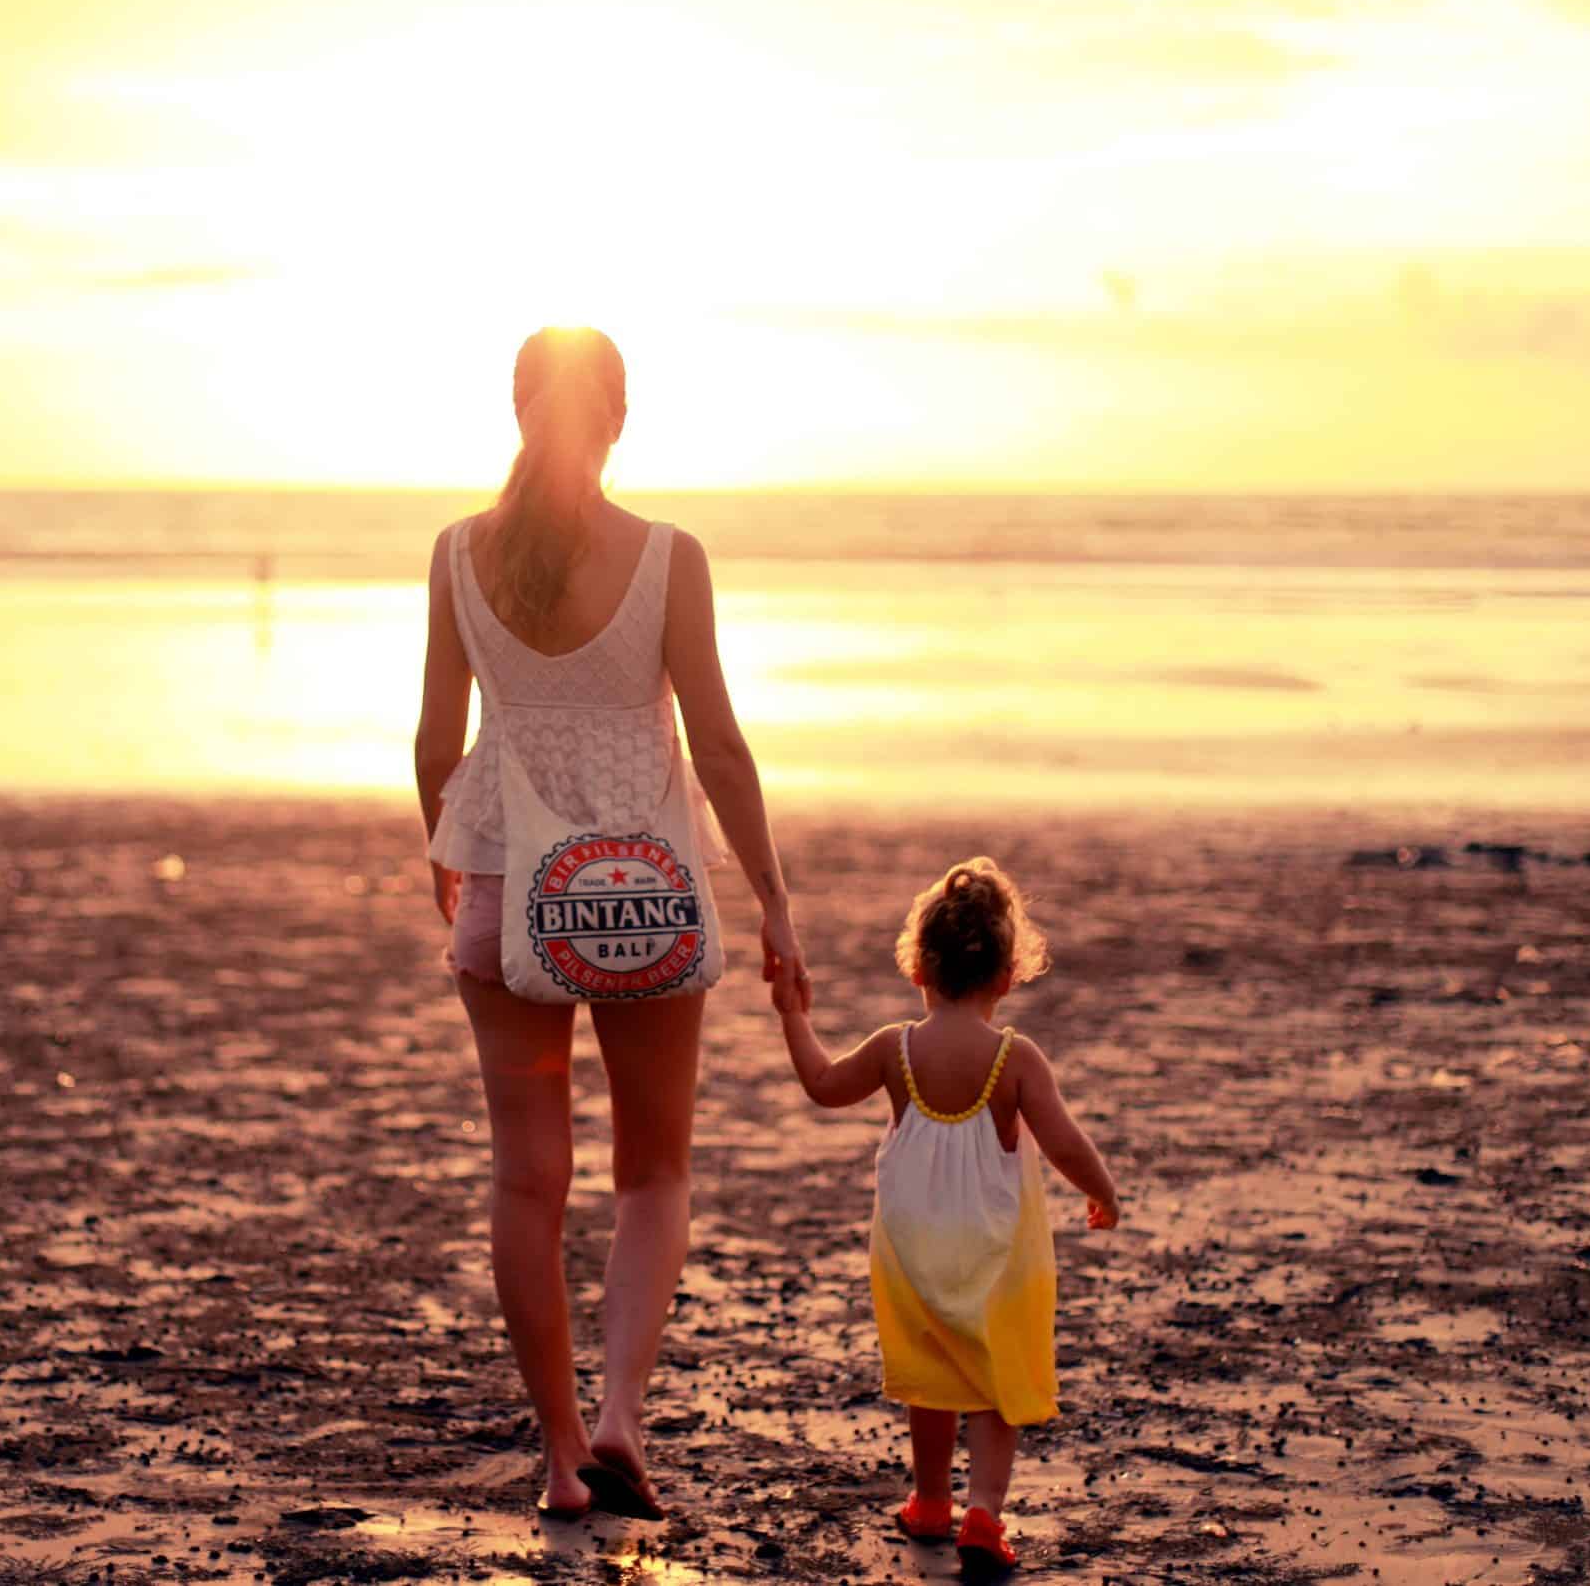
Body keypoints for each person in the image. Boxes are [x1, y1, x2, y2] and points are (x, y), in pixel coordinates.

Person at [414, 325, 812, 1521]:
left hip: (502, 884)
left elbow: (436, 739)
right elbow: (722, 744)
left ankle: (557, 1455)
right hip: (645, 898)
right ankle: (622, 1419)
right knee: (654, 1171)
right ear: (620, 419)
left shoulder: (454, 554)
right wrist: (773, 896)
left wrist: (448, 859)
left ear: (517, 408)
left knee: (527, 1180)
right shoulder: (669, 557)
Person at [771, 855, 1119, 1570]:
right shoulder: (1016, 1058)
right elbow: (1065, 1142)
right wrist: (1103, 1189)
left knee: (929, 1369)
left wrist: (792, 1015)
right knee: (997, 1379)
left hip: (913, 1247)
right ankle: (984, 1512)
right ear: (1006, 975)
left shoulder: (894, 1049)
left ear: (918, 970)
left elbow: (822, 1082)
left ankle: (930, 1500)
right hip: (998, 1255)